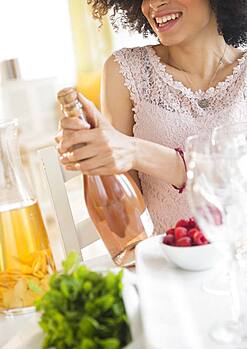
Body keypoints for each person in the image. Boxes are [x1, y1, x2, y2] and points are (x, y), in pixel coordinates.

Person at [56, 0, 247, 234]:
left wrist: (137, 152)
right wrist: (95, 155)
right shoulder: (125, 71)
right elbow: (122, 225)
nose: (154, 4)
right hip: (172, 264)